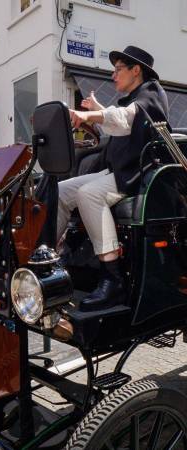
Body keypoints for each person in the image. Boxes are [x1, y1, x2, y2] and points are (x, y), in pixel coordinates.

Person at [60, 46, 169, 311]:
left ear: (136, 70)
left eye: (118, 69)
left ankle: (113, 278)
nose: (113, 75)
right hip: (116, 171)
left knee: (89, 194)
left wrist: (89, 114)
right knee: (60, 190)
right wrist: (97, 111)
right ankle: (48, 259)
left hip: (136, 172)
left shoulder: (152, 92)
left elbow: (125, 119)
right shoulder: (134, 97)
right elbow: (119, 122)